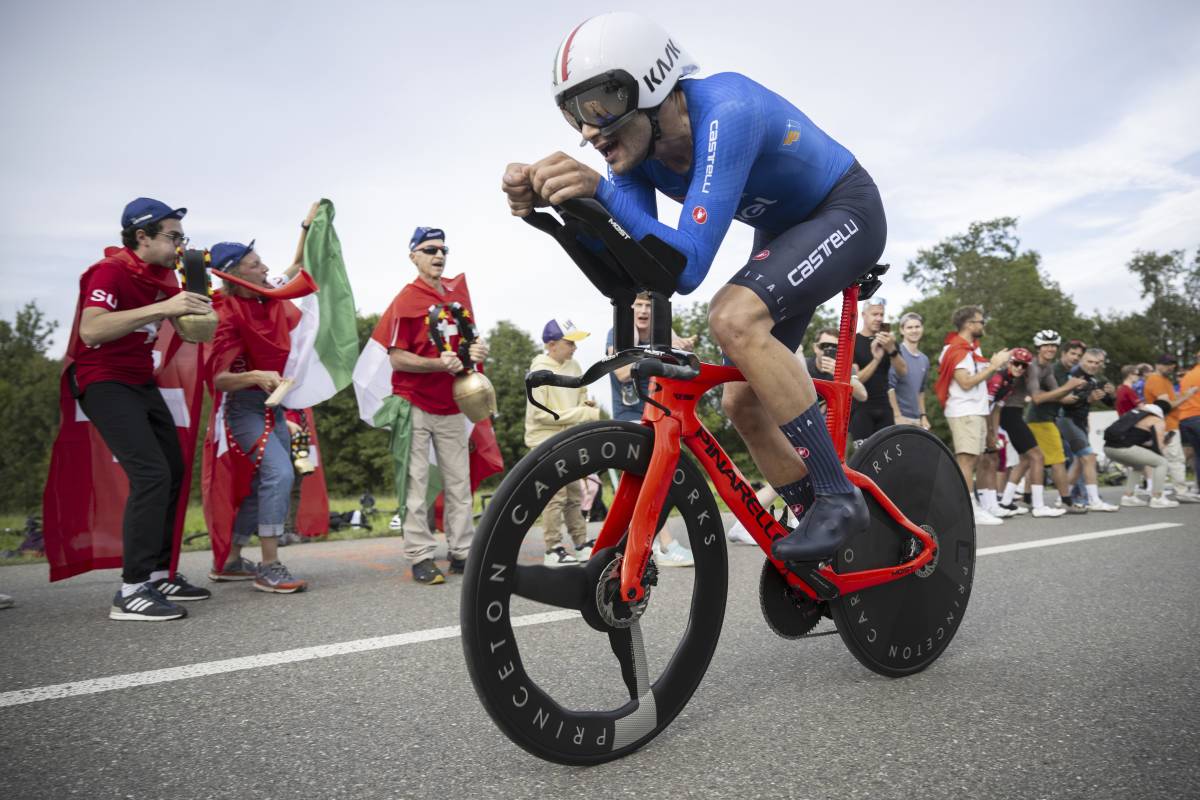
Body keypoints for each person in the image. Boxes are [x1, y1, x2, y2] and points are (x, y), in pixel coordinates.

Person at [504, 11, 889, 562]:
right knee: (742, 403)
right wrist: (559, 211)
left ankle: (837, 497)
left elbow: (687, 268)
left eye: (598, 107)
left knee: (732, 317)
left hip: (846, 208)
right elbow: (640, 268)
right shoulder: (636, 155)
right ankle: (820, 534)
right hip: (786, 229)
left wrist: (599, 194)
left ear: (651, 82)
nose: (589, 132)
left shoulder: (726, 111)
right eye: (574, 115)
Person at [72, 198, 213, 621]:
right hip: (103, 380)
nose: (179, 244)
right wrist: (164, 308)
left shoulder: (166, 274)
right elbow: (92, 328)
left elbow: (194, 325)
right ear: (142, 236)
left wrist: (203, 311)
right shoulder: (110, 271)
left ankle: (157, 572)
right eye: (173, 236)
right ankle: (131, 591)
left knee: (173, 468)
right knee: (151, 473)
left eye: (182, 237)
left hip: (139, 381)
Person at [206, 217, 319, 593]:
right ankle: (270, 566)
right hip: (243, 407)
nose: (266, 268)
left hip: (274, 406)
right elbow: (218, 379)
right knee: (280, 475)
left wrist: (307, 227)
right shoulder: (223, 314)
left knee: (260, 483)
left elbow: (295, 267)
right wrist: (256, 376)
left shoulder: (267, 293)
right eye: (256, 264)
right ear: (235, 275)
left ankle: (232, 561)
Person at [385, 227, 489, 585]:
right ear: (413, 255)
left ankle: (462, 552)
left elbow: (470, 344)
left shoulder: (456, 297)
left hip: (452, 403)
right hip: (413, 402)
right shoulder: (406, 299)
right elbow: (396, 357)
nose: (439, 256)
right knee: (416, 483)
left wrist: (477, 351)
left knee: (460, 483)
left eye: (444, 249)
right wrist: (434, 365)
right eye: (430, 250)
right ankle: (420, 556)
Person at [605, 292, 697, 564]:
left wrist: (681, 347)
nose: (644, 310)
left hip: (658, 414)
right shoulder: (618, 333)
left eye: (648, 305)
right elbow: (622, 372)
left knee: (658, 480)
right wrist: (658, 348)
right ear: (630, 308)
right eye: (639, 305)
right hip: (630, 417)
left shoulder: (661, 333)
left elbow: (686, 367)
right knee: (652, 478)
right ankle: (664, 545)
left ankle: (635, 546)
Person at [526, 318, 601, 565]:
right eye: (570, 342)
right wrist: (582, 413)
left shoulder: (574, 365)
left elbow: (581, 396)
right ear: (551, 345)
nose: (574, 348)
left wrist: (586, 405)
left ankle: (580, 543)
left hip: (568, 437)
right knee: (555, 496)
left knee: (574, 495)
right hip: (545, 440)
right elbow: (539, 414)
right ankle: (552, 548)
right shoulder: (538, 369)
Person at [933, 306, 1011, 525]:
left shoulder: (969, 349)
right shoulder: (955, 350)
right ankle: (969, 510)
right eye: (980, 322)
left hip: (974, 411)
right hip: (963, 411)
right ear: (969, 324)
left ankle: (970, 506)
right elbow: (965, 383)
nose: (983, 325)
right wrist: (994, 366)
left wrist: (994, 363)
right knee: (966, 461)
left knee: (973, 460)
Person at [988, 347, 1062, 518]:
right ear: (1009, 362)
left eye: (1024, 365)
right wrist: (991, 432)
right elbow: (991, 407)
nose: (1020, 368)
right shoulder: (1001, 376)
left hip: (1010, 413)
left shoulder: (1016, 376)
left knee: (1025, 459)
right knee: (1037, 456)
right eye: (1017, 363)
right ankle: (1038, 506)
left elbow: (997, 407)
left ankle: (1006, 501)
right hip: (1009, 414)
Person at [1025, 330, 1089, 513]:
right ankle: (1067, 502)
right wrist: (1068, 388)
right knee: (1058, 461)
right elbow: (1037, 398)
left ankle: (1025, 498)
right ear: (1038, 347)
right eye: (1046, 345)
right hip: (1039, 419)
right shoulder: (1035, 368)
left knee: (1027, 462)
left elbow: (1057, 393)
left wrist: (1076, 392)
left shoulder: (1048, 368)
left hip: (1043, 418)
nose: (1050, 348)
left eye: (1053, 345)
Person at [1059, 348, 1118, 511]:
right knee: (1088, 457)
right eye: (1090, 362)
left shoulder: (1095, 378)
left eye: (1097, 363)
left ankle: (1063, 498)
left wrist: (1112, 394)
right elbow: (1063, 401)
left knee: (1079, 461)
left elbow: (1109, 403)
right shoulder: (1072, 374)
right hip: (1065, 420)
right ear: (1082, 360)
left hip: (1080, 422)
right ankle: (1093, 500)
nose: (1093, 365)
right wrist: (1088, 399)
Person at [850, 298, 907, 446]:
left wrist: (891, 350)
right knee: (863, 459)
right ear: (863, 315)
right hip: (861, 409)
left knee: (887, 459)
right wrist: (876, 359)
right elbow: (856, 380)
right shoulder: (853, 342)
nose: (879, 318)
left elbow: (903, 372)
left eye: (882, 314)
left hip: (885, 407)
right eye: (875, 314)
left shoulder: (888, 341)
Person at [1143, 354, 1200, 500]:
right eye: (1167, 365)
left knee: (1168, 458)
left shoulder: (1164, 380)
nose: (1170, 368)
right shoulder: (1156, 379)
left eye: (1172, 366)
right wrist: (1187, 395)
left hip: (1168, 423)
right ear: (1158, 364)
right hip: (1166, 424)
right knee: (1175, 458)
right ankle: (1180, 491)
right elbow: (1166, 405)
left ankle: (1160, 491)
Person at [1103, 403, 1178, 508]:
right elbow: (1159, 448)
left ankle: (1128, 497)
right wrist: (1166, 442)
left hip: (1108, 448)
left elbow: (1141, 443)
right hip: (1123, 449)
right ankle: (1157, 498)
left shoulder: (1135, 416)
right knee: (1162, 462)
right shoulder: (1157, 420)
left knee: (1138, 465)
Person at [888, 312, 931, 430]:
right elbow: (890, 387)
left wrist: (923, 416)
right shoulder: (897, 354)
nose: (914, 330)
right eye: (909, 327)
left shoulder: (924, 359)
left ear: (922, 329)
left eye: (917, 327)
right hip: (899, 418)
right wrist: (897, 416)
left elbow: (921, 391)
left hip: (917, 420)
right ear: (902, 331)